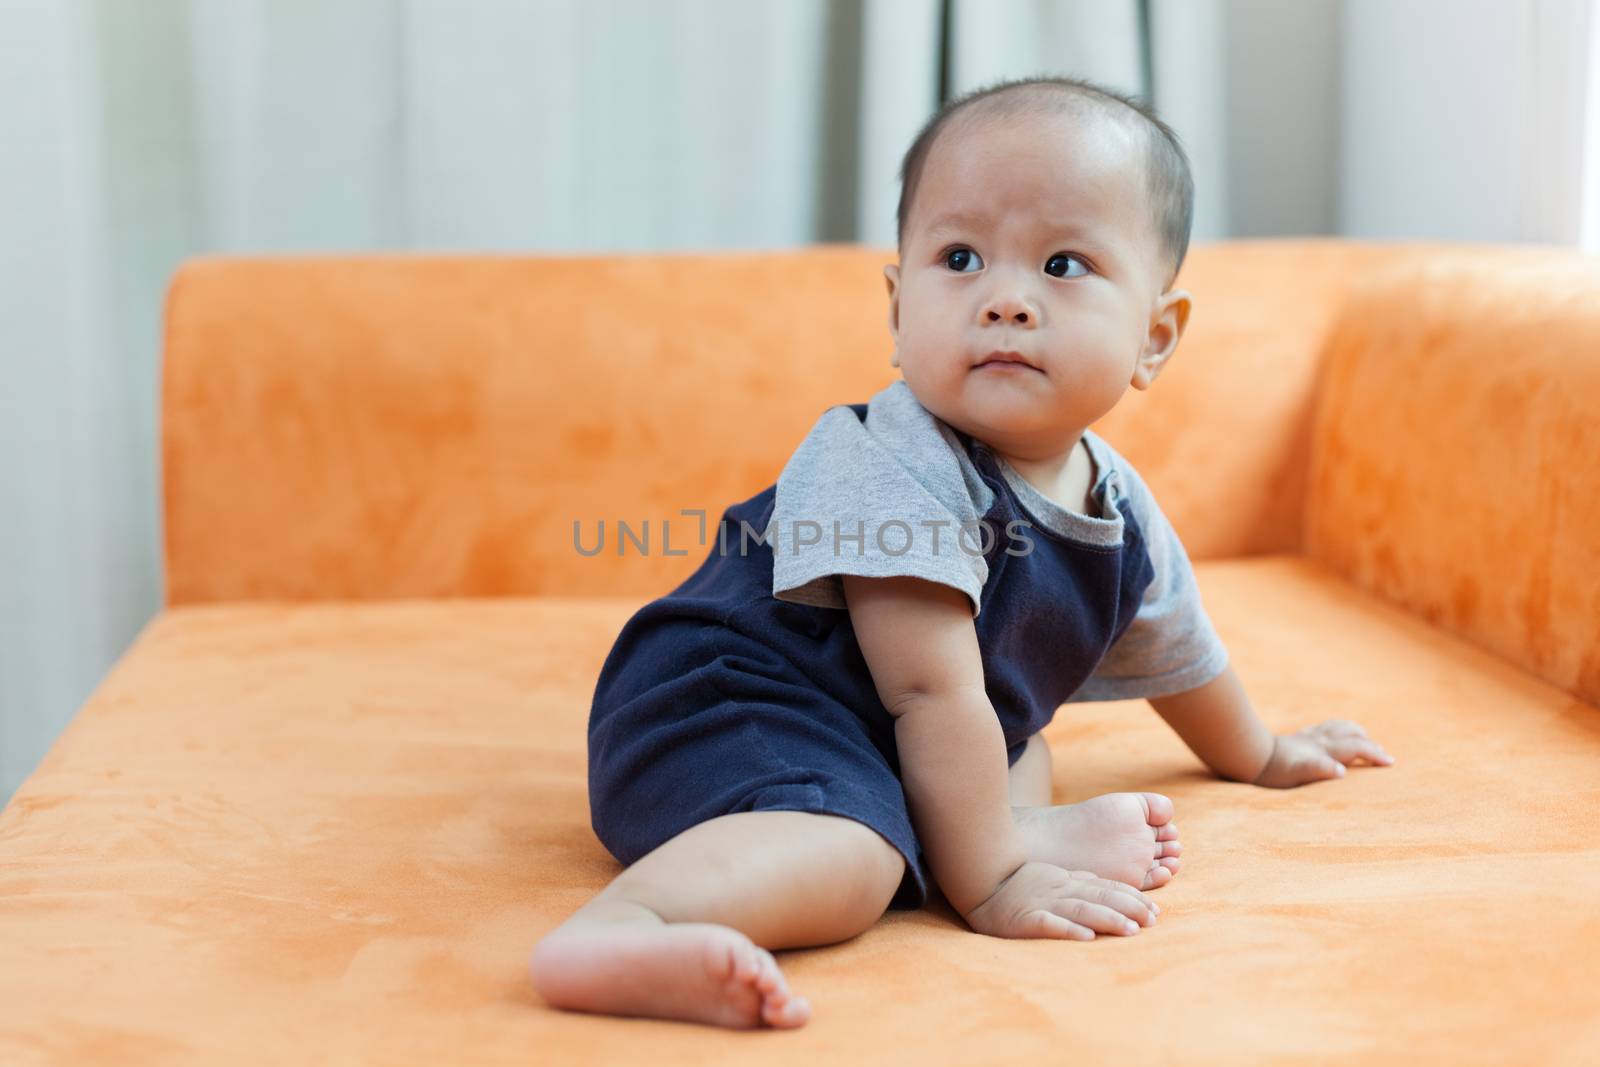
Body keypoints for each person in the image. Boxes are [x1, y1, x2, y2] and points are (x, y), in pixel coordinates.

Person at [530, 74, 1394, 1032]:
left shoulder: (1118, 506)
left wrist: (1265, 751)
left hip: (879, 731)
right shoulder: (886, 459)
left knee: (1019, 741)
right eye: (960, 256)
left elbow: (1181, 655)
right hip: (728, 707)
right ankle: (623, 927)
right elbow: (930, 692)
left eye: (1064, 265)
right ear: (898, 311)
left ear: (1155, 337)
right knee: (859, 861)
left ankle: (982, 823)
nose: (1006, 300)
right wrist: (994, 884)